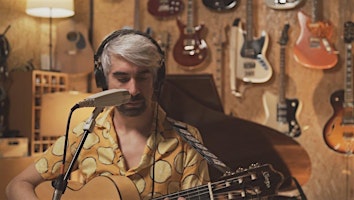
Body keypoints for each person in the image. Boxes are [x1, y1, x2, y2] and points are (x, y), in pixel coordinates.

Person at [6, 29, 210, 199]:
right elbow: (17, 185)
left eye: (142, 77)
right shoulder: (84, 134)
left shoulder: (188, 141)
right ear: (103, 81)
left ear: (156, 80)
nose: (133, 90)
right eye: (122, 78)